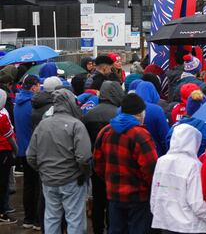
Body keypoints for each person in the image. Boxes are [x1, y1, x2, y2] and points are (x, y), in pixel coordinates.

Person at [26, 89, 91, 234]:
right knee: (75, 219)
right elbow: (84, 157)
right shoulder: (76, 125)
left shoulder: (42, 125)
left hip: (49, 180)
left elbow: (30, 155)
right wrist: (84, 174)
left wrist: (43, 170)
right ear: (70, 103)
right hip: (72, 180)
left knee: (52, 217)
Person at [93, 93, 158, 234]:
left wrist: (110, 180)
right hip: (138, 197)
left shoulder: (105, 131)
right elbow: (151, 169)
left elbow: (98, 164)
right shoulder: (141, 135)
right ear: (140, 113)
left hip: (114, 194)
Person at [151, 124, 206, 234]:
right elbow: (196, 203)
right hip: (189, 226)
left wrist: (158, 213)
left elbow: (155, 193)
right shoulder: (194, 165)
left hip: (166, 223)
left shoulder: (161, 161)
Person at [82, 81, 124, 234]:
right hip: (115, 163)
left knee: (98, 199)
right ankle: (111, 227)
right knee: (113, 201)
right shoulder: (118, 114)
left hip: (96, 161)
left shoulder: (89, 114)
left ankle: (97, 229)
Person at [14, 74, 41, 230]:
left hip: (22, 149)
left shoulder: (18, 102)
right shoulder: (32, 104)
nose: (40, 88)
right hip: (33, 150)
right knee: (37, 185)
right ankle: (37, 220)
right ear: (33, 87)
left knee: (28, 185)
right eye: (38, 85)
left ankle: (28, 218)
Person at [136, 81, 170, 156]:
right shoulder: (156, 110)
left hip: (130, 155)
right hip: (153, 153)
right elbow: (165, 136)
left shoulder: (122, 109)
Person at [0, 89, 18, 224]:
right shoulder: (2, 117)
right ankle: (2, 213)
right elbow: (10, 137)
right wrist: (16, 151)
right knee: (3, 183)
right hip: (3, 152)